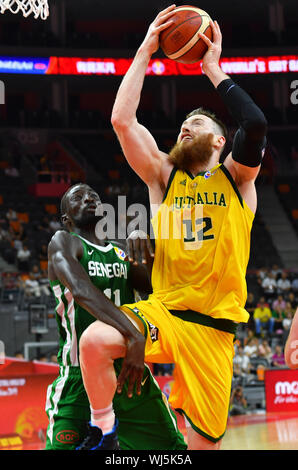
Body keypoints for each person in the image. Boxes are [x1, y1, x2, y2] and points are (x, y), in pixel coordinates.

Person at [89, 5, 267, 450]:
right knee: (94, 341)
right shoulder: (164, 175)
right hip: (163, 313)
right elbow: (121, 121)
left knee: (203, 447)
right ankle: (104, 434)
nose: (187, 125)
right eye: (185, 123)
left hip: (213, 329)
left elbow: (256, 123)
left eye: (199, 122)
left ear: (220, 140)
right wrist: (147, 48)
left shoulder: (238, 179)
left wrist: (213, 69)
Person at [45, 183, 186, 451]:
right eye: (78, 197)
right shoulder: (64, 242)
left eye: (93, 195)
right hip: (79, 378)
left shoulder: (122, 250)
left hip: (130, 373)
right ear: (66, 219)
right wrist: (133, 333)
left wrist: (143, 244)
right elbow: (82, 291)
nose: (88, 197)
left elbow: (158, 289)